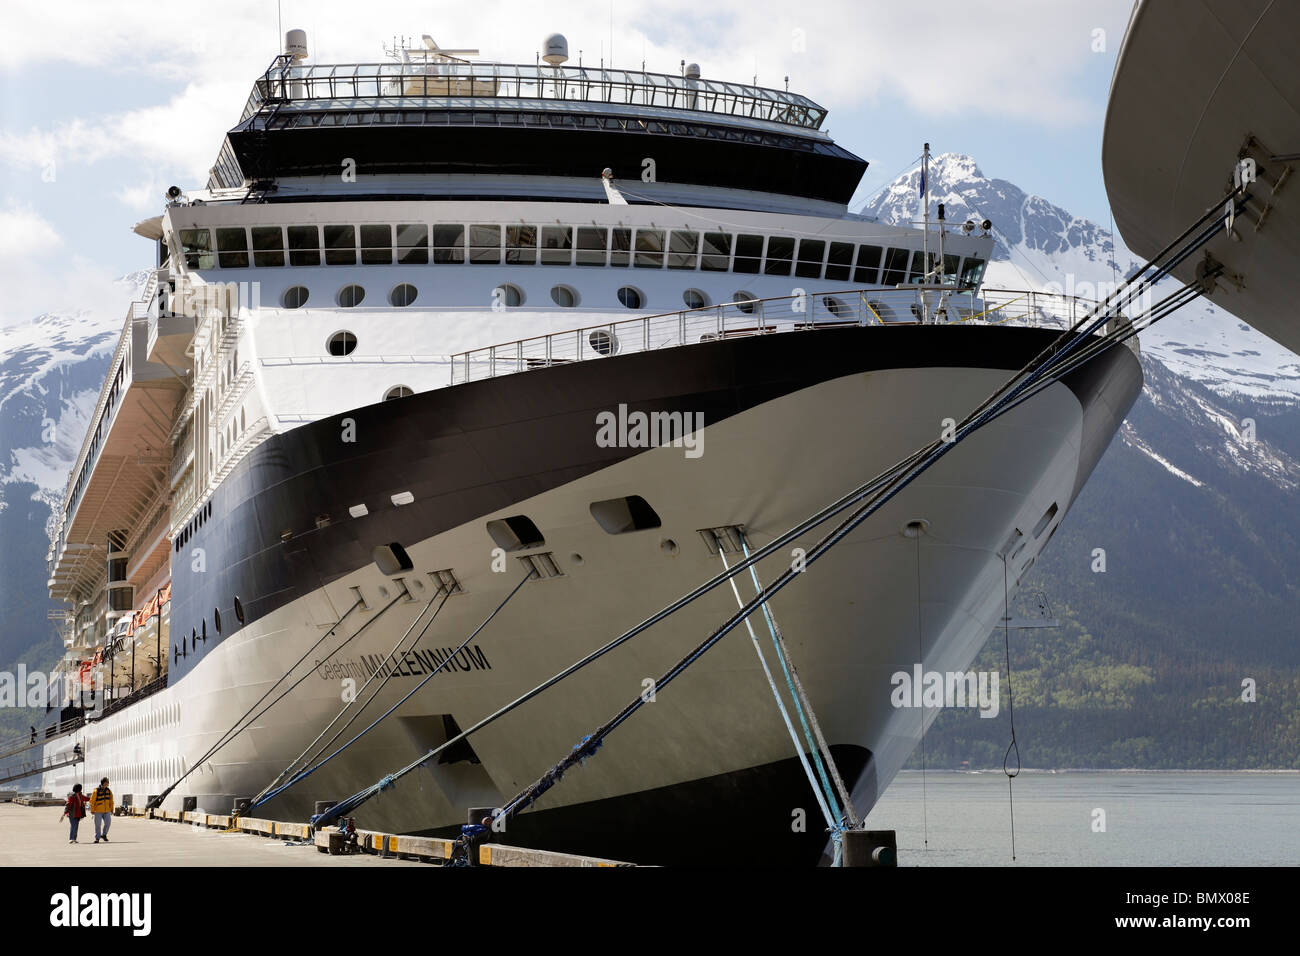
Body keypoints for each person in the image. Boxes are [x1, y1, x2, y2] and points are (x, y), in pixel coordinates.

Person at [90, 777, 114, 843]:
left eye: (108, 782)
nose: (108, 783)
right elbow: (92, 801)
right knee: (98, 825)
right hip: (98, 811)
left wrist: (112, 809)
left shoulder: (109, 791)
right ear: (103, 783)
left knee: (108, 823)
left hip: (107, 811)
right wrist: (92, 810)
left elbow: (111, 801)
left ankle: (104, 835)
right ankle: (97, 838)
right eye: (107, 782)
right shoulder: (96, 791)